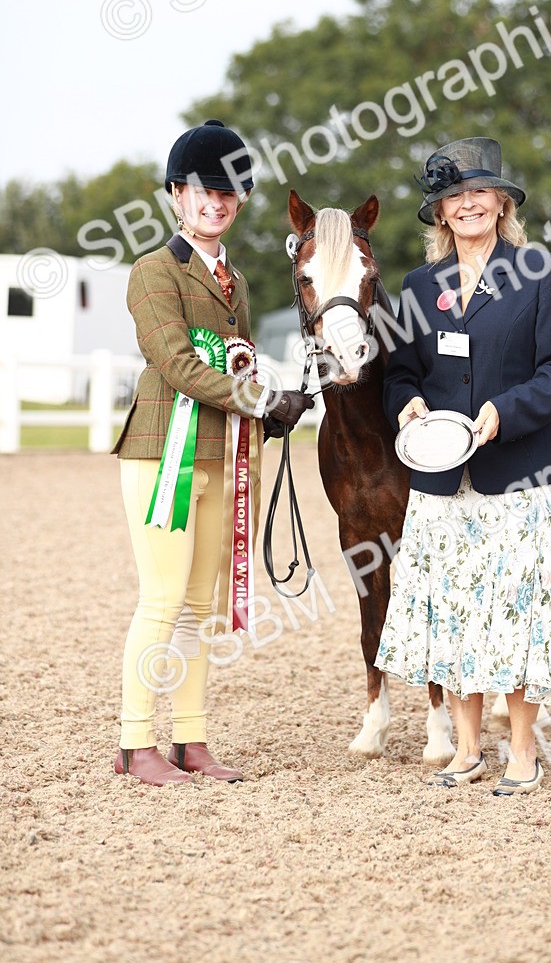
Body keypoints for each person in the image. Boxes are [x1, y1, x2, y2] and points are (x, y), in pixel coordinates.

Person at [376, 137, 551, 796]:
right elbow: (401, 374)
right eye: (453, 196)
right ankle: (466, 751)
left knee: (517, 614)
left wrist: (506, 409)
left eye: (479, 192)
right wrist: (407, 402)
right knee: (455, 612)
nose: (467, 204)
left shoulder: (539, 273)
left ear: (501, 202)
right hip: (442, 482)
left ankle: (522, 751)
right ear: (440, 213)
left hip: (521, 476)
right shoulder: (420, 286)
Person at [112, 119, 313, 786]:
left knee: (201, 606)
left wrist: (273, 406)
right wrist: (257, 402)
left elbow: (237, 368)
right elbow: (174, 363)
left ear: (240, 201)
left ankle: (190, 740)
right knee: (162, 598)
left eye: (228, 193)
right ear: (176, 194)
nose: (215, 203)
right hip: (161, 452)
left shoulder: (236, 283)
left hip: (223, 456)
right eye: (202, 190)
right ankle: (136, 742)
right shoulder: (153, 272)